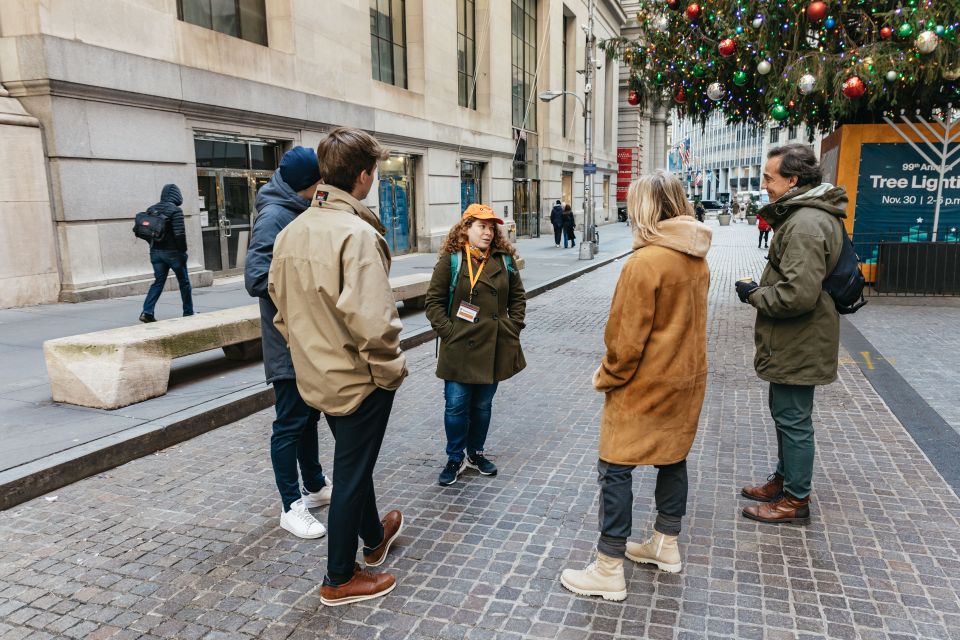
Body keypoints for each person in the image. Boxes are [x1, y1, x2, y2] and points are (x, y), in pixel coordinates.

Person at [269, 128, 408, 606]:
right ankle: (338, 577)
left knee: (354, 462)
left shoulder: (291, 232)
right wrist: (389, 371)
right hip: (358, 379)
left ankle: (374, 538)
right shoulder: (356, 233)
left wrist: (310, 352)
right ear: (364, 177)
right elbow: (375, 323)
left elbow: (280, 312)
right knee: (351, 472)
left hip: (317, 375)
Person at [560, 171, 712, 601]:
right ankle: (666, 544)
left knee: (615, 468)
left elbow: (624, 341)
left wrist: (605, 376)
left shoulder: (645, 262)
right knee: (672, 459)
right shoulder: (695, 258)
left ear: (646, 207)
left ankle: (608, 567)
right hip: (685, 379)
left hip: (644, 384)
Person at [734, 143, 847, 525]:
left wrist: (754, 293)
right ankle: (785, 481)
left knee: (794, 419)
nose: (764, 184)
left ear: (793, 180)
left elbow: (797, 294)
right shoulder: (804, 217)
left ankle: (795, 499)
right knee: (786, 414)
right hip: (797, 337)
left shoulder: (806, 224)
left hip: (801, 337)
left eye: (769, 177)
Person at [245, 146, 331, 540]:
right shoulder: (275, 216)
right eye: (319, 183)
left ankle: (313, 486)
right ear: (306, 185)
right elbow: (256, 278)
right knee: (290, 423)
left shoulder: (297, 209)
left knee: (307, 415)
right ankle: (290, 505)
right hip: (286, 340)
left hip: (304, 335)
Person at [424, 204, 527, 487]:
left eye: (492, 227)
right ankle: (455, 457)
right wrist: (449, 332)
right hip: (459, 346)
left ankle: (476, 453)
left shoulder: (503, 259)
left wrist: (511, 326)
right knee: (456, 406)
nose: (488, 232)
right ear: (466, 228)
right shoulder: (452, 260)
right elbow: (433, 302)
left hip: (493, 345)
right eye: (482, 226)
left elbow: (518, 299)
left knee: (482, 405)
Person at [139, 184, 193, 322]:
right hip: (173, 253)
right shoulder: (176, 211)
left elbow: (147, 232)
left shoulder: (151, 209)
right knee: (184, 282)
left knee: (158, 282)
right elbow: (179, 234)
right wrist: (183, 252)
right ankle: (188, 312)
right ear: (177, 195)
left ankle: (147, 312)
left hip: (155, 253)